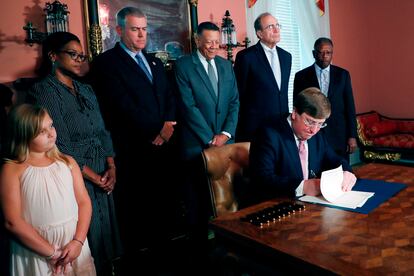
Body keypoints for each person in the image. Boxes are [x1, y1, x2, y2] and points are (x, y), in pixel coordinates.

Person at [26, 32, 122, 275]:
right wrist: (94, 177)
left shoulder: (86, 89)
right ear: (53, 56)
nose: (80, 60)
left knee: (108, 238)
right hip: (73, 173)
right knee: (86, 235)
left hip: (102, 168)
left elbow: (102, 129)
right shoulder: (44, 90)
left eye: (82, 55)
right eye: (73, 54)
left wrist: (111, 166)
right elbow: (61, 144)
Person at [88, 7, 178, 264]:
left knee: (165, 209)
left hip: (164, 149)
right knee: (138, 213)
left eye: (144, 29)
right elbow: (120, 105)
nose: (141, 34)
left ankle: (166, 258)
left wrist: (168, 126)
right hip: (133, 150)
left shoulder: (155, 62)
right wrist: (156, 130)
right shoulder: (106, 64)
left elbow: (169, 97)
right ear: (119, 30)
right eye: (134, 29)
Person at [0, 104, 96, 275]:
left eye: (51, 125)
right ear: (24, 136)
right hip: (34, 251)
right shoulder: (12, 169)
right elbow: (12, 221)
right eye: (41, 132)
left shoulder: (68, 162)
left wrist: (78, 242)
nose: (51, 133)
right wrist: (51, 252)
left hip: (72, 246)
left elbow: (84, 202)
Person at [250, 87, 356, 202]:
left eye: (320, 124)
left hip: (309, 205)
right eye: (310, 122)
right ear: (295, 113)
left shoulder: (317, 135)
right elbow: (262, 180)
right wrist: (303, 187)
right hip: (276, 205)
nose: (314, 130)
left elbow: (335, 160)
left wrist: (346, 172)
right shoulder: (268, 134)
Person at [174, 21, 239, 161]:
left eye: (217, 41)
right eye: (209, 42)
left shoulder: (227, 65)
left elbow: (234, 102)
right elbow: (188, 107)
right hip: (196, 145)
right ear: (197, 40)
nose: (214, 47)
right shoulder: (183, 66)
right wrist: (211, 140)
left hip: (226, 142)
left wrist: (226, 134)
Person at [293, 37, 357, 160]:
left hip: (338, 134)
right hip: (312, 133)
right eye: (321, 52)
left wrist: (352, 136)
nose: (324, 56)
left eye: (328, 53)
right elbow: (298, 107)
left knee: (341, 171)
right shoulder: (301, 76)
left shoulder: (343, 75)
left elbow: (350, 107)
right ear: (314, 53)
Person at [234, 12, 292, 142]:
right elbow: (238, 95)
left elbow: (281, 92)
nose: (276, 29)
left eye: (277, 25)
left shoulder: (286, 57)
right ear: (259, 33)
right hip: (255, 128)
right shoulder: (246, 57)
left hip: (282, 126)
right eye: (270, 27)